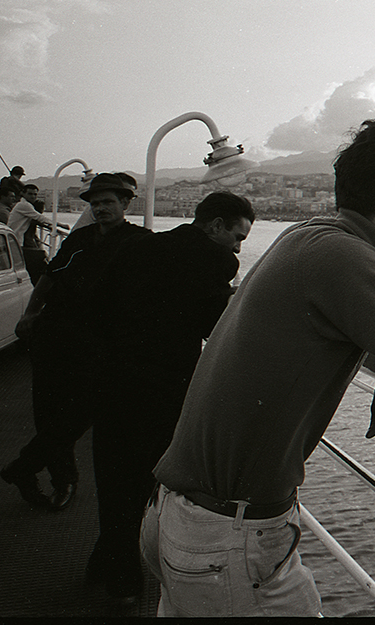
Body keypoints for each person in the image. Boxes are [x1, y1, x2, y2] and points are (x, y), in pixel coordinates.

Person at [140, 118, 375, 617]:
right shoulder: (347, 258)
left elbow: (348, 322)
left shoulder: (314, 237)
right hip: (226, 541)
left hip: (183, 518)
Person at [88, 191, 255, 603]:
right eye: (237, 236)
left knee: (112, 478)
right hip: (162, 389)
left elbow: (100, 304)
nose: (237, 247)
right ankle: (124, 582)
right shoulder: (216, 261)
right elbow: (214, 329)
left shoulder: (139, 246)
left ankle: (104, 564)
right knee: (149, 484)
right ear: (215, 225)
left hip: (111, 380)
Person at [0, 174, 151, 511]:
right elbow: (50, 277)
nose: (100, 209)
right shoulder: (80, 239)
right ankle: (60, 479)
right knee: (48, 412)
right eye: (95, 204)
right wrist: (29, 313)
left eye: (108, 202)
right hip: (55, 334)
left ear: (126, 204)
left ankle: (24, 467)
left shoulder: (140, 242)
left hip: (98, 342)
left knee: (84, 410)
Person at [8, 184, 55, 284]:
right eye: (30, 194)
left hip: (15, 239)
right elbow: (39, 217)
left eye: (35, 194)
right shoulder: (24, 205)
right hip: (15, 240)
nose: (33, 197)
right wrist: (59, 225)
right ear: (22, 193)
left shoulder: (22, 205)